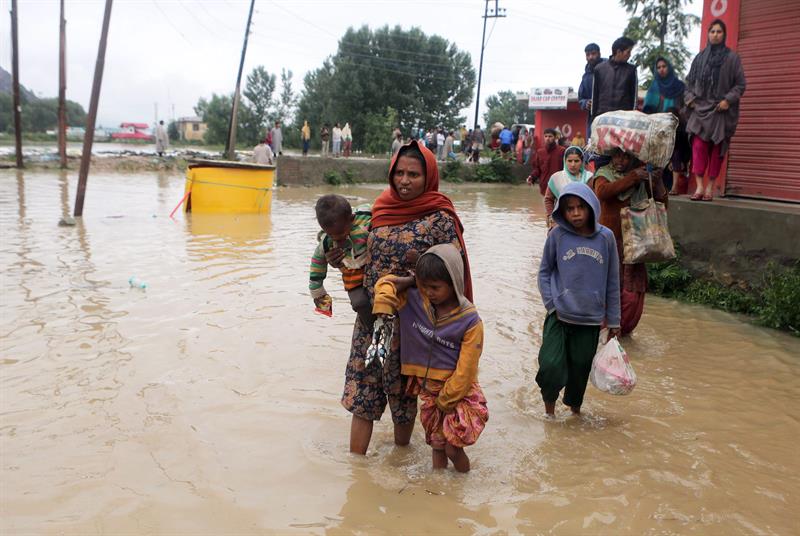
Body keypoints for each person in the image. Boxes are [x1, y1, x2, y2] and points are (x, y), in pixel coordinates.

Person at [343, 139, 473, 455]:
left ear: (427, 176)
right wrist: (341, 262)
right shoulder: (379, 208)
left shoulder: (440, 217)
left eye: (413, 174)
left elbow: (451, 270)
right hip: (373, 322)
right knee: (364, 391)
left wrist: (408, 280)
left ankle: (400, 462)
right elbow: (358, 253)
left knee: (404, 396)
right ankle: (356, 471)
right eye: (399, 173)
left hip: (416, 326)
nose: (404, 181)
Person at [372, 244, 487, 472]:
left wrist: (447, 398)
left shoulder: (470, 320)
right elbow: (384, 283)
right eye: (425, 286)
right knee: (436, 446)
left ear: (454, 282)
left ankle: (464, 484)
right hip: (428, 392)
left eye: (435, 287)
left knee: (453, 449)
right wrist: (404, 285)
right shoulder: (415, 300)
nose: (430, 293)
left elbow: (467, 369)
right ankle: (438, 488)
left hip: (458, 392)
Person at [536, 182, 621, 416]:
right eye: (569, 208)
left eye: (580, 207)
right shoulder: (557, 235)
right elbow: (544, 271)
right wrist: (551, 304)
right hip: (559, 316)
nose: (575, 213)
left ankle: (575, 414)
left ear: (591, 207)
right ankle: (549, 414)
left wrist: (614, 321)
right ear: (562, 211)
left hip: (590, 320)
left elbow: (613, 281)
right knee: (550, 366)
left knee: (580, 371)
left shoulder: (606, 238)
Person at [593, 149, 667, 336]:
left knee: (632, 292)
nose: (621, 160)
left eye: (626, 156)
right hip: (610, 243)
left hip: (636, 243)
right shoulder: (603, 175)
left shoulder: (643, 177)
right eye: (617, 155)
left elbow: (662, 203)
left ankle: (623, 331)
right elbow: (603, 192)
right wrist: (632, 178)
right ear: (611, 156)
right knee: (608, 287)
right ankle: (604, 331)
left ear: (633, 158)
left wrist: (655, 181)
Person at [684, 19, 746, 202]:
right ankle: (700, 187)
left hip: (720, 111)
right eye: (712, 31)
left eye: (719, 31)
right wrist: (690, 100)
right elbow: (688, 84)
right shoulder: (699, 58)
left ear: (724, 35)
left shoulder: (732, 58)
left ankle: (710, 188)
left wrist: (728, 100)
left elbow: (741, 84)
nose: (715, 35)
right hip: (700, 111)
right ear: (708, 34)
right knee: (698, 147)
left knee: (716, 151)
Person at [309, 194, 374, 329]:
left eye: (340, 233)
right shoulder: (327, 242)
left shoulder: (366, 216)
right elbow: (317, 265)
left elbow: (381, 208)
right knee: (359, 303)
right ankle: (372, 329)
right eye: (331, 234)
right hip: (353, 277)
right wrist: (318, 293)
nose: (336, 238)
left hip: (374, 269)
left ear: (351, 219)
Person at [643, 57, 690, 195]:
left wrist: (675, 116)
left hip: (676, 128)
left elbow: (685, 107)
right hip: (657, 129)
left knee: (675, 156)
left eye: (664, 66)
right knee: (656, 159)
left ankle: (673, 188)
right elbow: (648, 108)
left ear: (669, 67)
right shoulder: (654, 87)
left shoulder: (679, 86)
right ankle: (654, 189)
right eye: (658, 67)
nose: (661, 69)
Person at [544, 146, 594, 227]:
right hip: (561, 220)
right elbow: (548, 199)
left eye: (576, 161)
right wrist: (551, 217)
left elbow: (594, 201)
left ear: (582, 162)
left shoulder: (589, 178)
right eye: (569, 161)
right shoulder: (556, 178)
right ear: (565, 161)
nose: (573, 164)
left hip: (584, 221)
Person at [591, 37, 638, 121]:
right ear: (619, 52)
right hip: (603, 117)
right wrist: (593, 118)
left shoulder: (631, 70)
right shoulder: (599, 69)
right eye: (628, 52)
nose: (630, 55)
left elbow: (634, 98)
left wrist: (632, 117)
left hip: (624, 119)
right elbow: (595, 96)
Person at [527, 128, 566, 195]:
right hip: (544, 186)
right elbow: (537, 169)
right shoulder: (540, 152)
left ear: (555, 137)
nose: (548, 138)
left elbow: (567, 168)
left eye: (550, 136)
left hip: (559, 186)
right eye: (546, 136)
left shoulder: (562, 151)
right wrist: (532, 177)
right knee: (546, 205)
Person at [579, 43, 604, 139]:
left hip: (609, 115)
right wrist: (586, 103)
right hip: (593, 118)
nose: (591, 57)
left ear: (599, 54)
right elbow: (581, 98)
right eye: (588, 55)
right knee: (592, 146)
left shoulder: (609, 69)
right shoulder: (586, 77)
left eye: (593, 54)